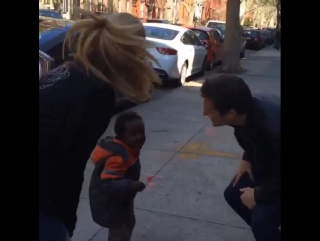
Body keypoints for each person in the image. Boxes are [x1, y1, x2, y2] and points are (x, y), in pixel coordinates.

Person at [39, 11, 159, 241]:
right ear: (129, 53)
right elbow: (69, 162)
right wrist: (65, 219)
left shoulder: (65, 71)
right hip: (46, 204)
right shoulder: (97, 92)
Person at [200, 75, 280, 241]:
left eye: (211, 112)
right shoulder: (245, 110)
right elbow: (254, 136)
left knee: (262, 220)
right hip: (271, 164)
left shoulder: (273, 129)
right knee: (233, 194)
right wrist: (247, 157)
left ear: (231, 114)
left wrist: (258, 195)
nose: (204, 113)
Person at [89, 111, 146, 241]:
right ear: (121, 136)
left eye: (142, 132)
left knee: (129, 222)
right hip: (110, 203)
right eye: (134, 134)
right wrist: (130, 185)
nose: (139, 137)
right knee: (118, 233)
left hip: (121, 198)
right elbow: (107, 185)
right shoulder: (117, 158)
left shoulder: (127, 147)